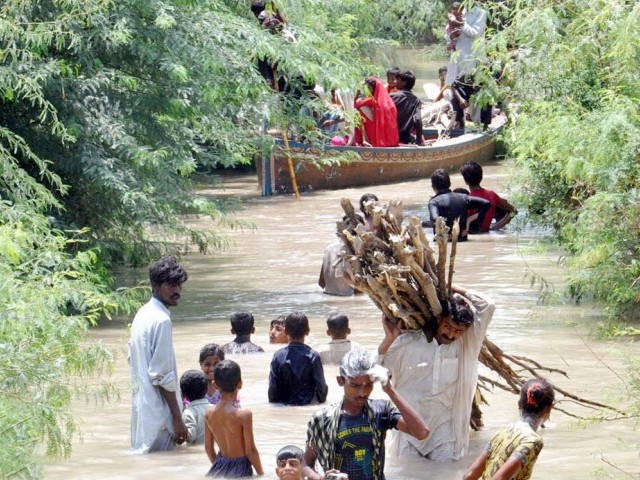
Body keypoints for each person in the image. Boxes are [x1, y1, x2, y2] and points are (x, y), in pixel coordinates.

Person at [378, 285, 495, 461]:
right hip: (409, 431)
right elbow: (374, 369)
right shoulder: (408, 343)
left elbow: (488, 305)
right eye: (448, 326)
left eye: (458, 331)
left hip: (443, 432)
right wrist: (388, 340)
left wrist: (446, 287)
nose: (451, 334)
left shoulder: (465, 346)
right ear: (439, 319)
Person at [303, 348, 430, 480]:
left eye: (368, 385)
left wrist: (390, 390)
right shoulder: (323, 418)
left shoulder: (381, 411)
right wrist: (322, 478)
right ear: (341, 381)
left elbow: (422, 433)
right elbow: (306, 464)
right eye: (355, 386)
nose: (362, 393)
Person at [129, 256, 189, 453]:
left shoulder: (142, 314)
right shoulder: (161, 321)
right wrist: (177, 418)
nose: (177, 290)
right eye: (171, 284)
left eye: (179, 285)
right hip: (159, 416)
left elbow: (132, 359)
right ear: (155, 285)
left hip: (142, 413)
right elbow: (161, 375)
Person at [463, 378, 555, 480]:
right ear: (549, 408)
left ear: (519, 404)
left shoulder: (502, 431)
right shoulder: (533, 441)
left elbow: (469, 475)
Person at [205, 360, 264, 477]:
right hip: (240, 468)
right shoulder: (244, 415)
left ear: (215, 385)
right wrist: (261, 474)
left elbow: (208, 448)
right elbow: (250, 450)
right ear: (240, 384)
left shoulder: (209, 412)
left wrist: (220, 466)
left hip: (218, 466)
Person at [445, 2, 490, 130]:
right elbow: (448, 33)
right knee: (455, 87)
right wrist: (450, 38)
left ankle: (479, 123)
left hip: (473, 58)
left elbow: (476, 32)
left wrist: (461, 24)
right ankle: (459, 121)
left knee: (476, 89)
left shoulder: (480, 13)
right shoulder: (459, 11)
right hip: (458, 57)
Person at [268, 312, 328, 406]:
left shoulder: (278, 356)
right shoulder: (313, 356)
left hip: (284, 409)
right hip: (307, 407)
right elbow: (322, 392)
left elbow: (272, 393)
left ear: (286, 331)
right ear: (308, 331)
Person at [427, 168, 490, 241]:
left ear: (433, 187)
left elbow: (436, 219)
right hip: (462, 241)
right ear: (449, 184)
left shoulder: (434, 202)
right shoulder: (463, 197)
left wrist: (446, 234)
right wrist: (469, 219)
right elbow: (486, 203)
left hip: (443, 244)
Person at [460, 161, 518, 232]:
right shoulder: (492, 195)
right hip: (487, 231)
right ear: (481, 177)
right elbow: (514, 211)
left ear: (466, 181)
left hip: (473, 235)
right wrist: (495, 228)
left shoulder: (465, 199)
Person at [353, 77, 399, 147]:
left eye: (368, 88)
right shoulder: (388, 101)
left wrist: (357, 95)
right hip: (391, 139)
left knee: (360, 109)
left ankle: (365, 140)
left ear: (374, 88)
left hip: (377, 136)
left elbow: (356, 105)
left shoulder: (373, 99)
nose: (367, 90)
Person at [390, 70, 424, 145]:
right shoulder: (416, 100)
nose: (396, 81)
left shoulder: (391, 96)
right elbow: (418, 120)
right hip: (406, 139)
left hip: (390, 137)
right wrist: (419, 142)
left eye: (398, 80)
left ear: (404, 82)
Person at [180, 370, 209, 445]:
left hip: (196, 451)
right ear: (206, 389)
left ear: (183, 394)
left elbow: (191, 436)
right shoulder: (214, 409)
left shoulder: (188, 413)